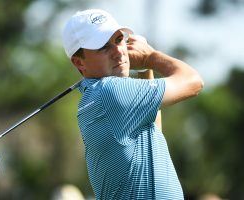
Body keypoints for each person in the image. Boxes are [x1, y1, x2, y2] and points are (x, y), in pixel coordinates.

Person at [62, 9, 203, 200]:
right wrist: (150, 57)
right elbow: (193, 81)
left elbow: (153, 127)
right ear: (79, 63)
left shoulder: (97, 97)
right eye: (103, 46)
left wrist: (145, 68)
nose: (118, 51)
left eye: (119, 39)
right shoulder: (110, 91)